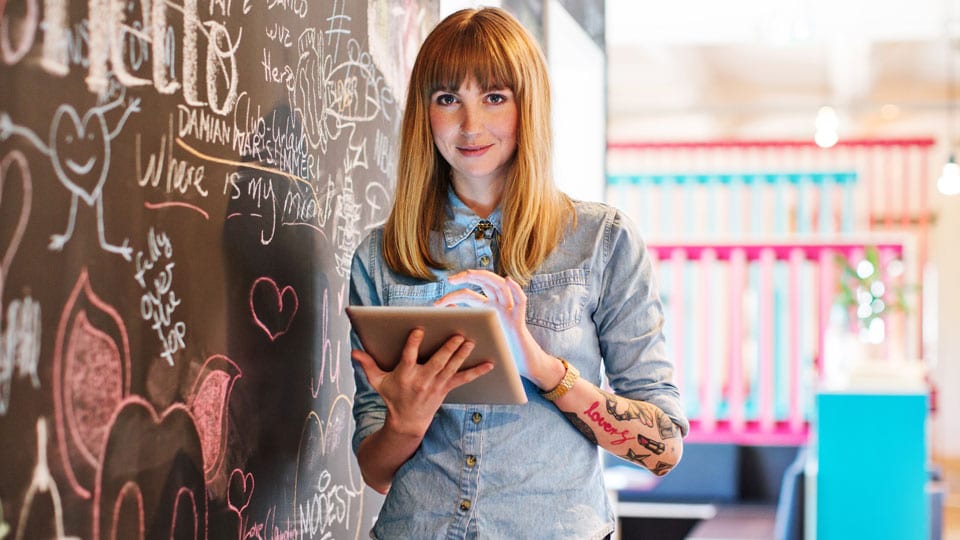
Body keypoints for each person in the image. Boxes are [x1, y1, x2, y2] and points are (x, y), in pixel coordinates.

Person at [349, 7, 688, 539]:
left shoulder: (602, 241)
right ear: (425, 114)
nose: (470, 124)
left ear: (526, 106)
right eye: (447, 99)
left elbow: (664, 449)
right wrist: (406, 420)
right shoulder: (380, 256)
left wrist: (537, 364)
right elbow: (374, 470)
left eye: (494, 97)